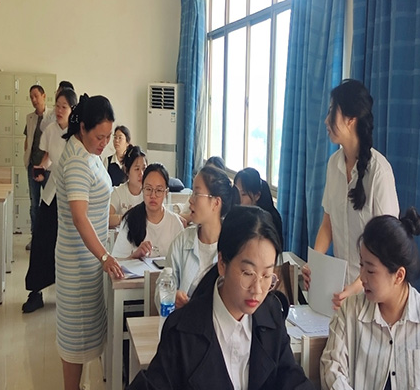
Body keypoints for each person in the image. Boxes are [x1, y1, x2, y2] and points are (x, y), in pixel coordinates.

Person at [127, 205, 314, 390]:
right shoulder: (183, 329)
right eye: (248, 273)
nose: (257, 290)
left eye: (266, 276)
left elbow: (292, 378)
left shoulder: (271, 313)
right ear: (222, 263)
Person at [320, 208, 420, 390]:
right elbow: (332, 369)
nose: (362, 277)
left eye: (370, 270)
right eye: (361, 265)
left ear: (399, 276)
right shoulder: (350, 312)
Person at [302, 79, 399, 308]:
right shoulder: (333, 164)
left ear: (350, 119)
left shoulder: (379, 173)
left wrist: (356, 287)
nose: (326, 121)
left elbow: (387, 245)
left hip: (372, 292)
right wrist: (313, 264)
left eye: (331, 112)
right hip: (339, 290)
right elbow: (328, 224)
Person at [54, 94, 124, 390]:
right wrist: (105, 257)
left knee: (85, 334)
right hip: (77, 263)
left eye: (109, 136)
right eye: (100, 136)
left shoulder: (88, 151)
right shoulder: (76, 162)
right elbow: (80, 217)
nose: (105, 143)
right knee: (75, 338)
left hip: (90, 258)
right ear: (82, 127)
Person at [22, 87, 77, 313]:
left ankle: (69, 293)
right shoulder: (51, 129)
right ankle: (35, 292)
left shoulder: (78, 134)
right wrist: (41, 168)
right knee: (41, 241)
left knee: (67, 245)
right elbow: (47, 157)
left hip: (71, 196)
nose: (59, 110)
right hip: (51, 193)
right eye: (57, 106)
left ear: (72, 109)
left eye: (64, 107)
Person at [167, 165, 236, 308]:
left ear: (216, 203)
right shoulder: (182, 240)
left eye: (196, 194)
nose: (190, 200)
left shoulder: (234, 246)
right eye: (192, 193)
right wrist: (172, 296)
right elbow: (164, 283)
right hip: (185, 319)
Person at [111, 163, 184, 259]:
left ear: (166, 193)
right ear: (142, 189)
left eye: (159, 190)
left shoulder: (175, 224)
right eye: (148, 189)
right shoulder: (131, 220)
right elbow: (117, 262)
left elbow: (182, 262)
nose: (153, 195)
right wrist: (134, 256)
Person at [23, 84, 50, 250]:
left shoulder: (51, 116)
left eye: (36, 96)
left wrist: (43, 164)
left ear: (43, 96)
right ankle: (35, 238)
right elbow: (28, 140)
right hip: (32, 166)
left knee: (47, 203)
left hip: (47, 168)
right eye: (31, 97)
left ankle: (46, 238)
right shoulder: (30, 118)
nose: (34, 99)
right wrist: (28, 160)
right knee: (34, 204)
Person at [234, 167, 283, 247]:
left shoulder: (268, 221)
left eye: (244, 194)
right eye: (236, 192)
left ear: (257, 195)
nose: (238, 198)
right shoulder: (236, 213)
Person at [109, 145, 147, 228]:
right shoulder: (118, 192)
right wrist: (127, 218)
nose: (141, 173)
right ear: (126, 170)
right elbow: (107, 219)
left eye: (144, 168)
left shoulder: (149, 193)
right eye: (137, 169)